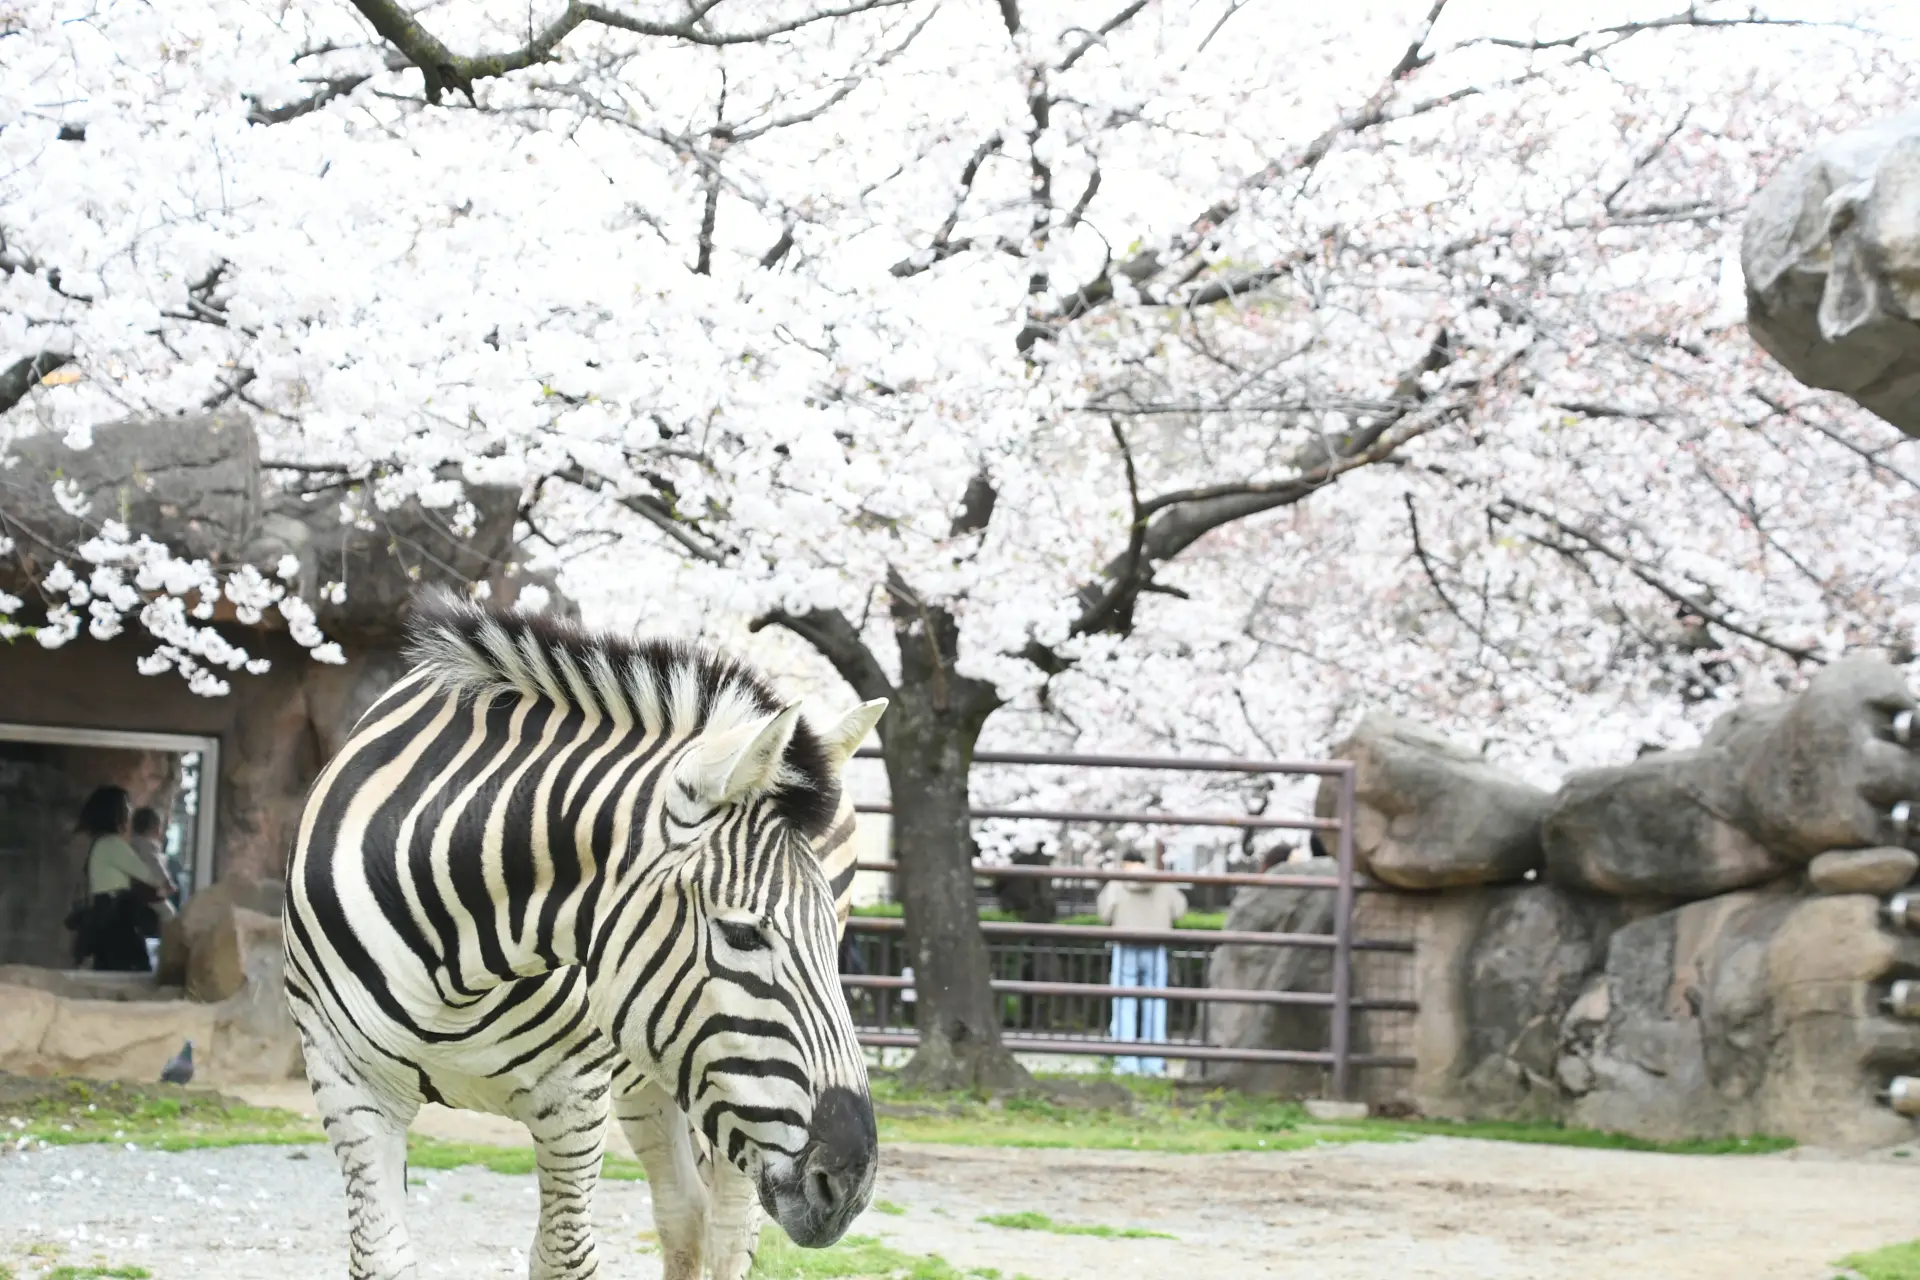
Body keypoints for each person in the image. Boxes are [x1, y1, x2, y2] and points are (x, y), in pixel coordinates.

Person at [1096, 841, 1187, 1076]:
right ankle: (1153, 1062)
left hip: (1125, 944)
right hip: (1156, 945)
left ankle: (1126, 1062)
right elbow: (1180, 910)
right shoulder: (1162, 883)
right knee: (1155, 1002)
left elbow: (1104, 913)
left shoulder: (1117, 883)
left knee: (1123, 1002)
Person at [69, 786, 167, 972]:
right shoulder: (113, 845)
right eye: (127, 805)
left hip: (102, 920)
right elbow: (152, 878)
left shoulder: (98, 842)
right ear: (116, 811)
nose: (130, 811)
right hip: (119, 922)